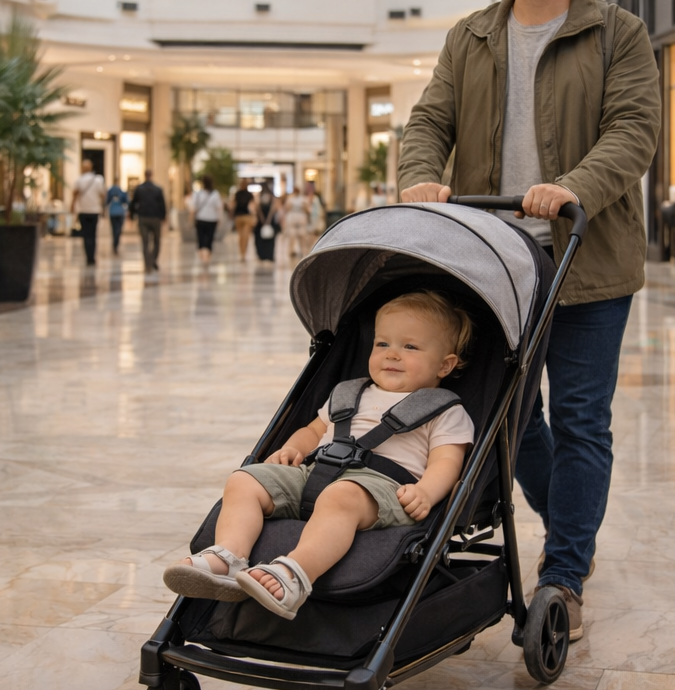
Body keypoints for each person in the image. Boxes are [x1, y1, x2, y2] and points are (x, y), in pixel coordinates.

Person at [397, 0, 660, 641]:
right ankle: (574, 524)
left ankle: (565, 575)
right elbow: (428, 120)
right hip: (493, 265)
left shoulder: (618, 35)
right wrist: (418, 174)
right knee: (511, 423)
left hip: (588, 263)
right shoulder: (472, 36)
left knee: (581, 422)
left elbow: (633, 133)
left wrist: (570, 187)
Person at [162, 291, 475, 618]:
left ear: (445, 364)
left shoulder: (444, 410)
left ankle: (296, 574)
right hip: (316, 472)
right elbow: (314, 431)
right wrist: (295, 447)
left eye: (410, 347)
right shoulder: (349, 393)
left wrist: (425, 491)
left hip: (382, 489)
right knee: (243, 480)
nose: (392, 354)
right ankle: (228, 557)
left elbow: (447, 462)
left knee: (342, 495)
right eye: (382, 344)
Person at [131, 169, 168, 273]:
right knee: (156, 241)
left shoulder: (139, 189)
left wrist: (133, 215)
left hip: (143, 218)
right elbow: (163, 205)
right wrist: (163, 217)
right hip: (155, 218)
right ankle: (152, 261)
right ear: (151, 175)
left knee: (145, 242)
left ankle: (149, 263)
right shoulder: (158, 189)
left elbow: (133, 203)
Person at [72, 158, 106, 266]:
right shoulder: (98, 180)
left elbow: (75, 195)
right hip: (94, 211)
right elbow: (103, 195)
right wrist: (102, 206)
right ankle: (91, 257)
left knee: (86, 234)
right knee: (93, 234)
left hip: (84, 211)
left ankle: (89, 256)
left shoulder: (79, 180)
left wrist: (72, 206)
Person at [191, 174, 224, 264]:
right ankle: (206, 256)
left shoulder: (198, 194)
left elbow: (193, 208)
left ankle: (203, 256)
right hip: (211, 220)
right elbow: (219, 208)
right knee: (209, 238)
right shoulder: (215, 194)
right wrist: (220, 218)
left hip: (201, 219)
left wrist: (190, 219)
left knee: (201, 239)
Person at [253, 183, 281, 262]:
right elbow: (273, 209)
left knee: (261, 239)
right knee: (270, 239)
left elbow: (258, 209)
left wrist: (263, 220)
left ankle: (263, 255)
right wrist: (268, 220)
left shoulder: (260, 196)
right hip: (268, 220)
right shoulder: (271, 197)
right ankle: (269, 255)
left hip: (262, 221)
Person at [283, 188, 311, 259]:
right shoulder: (290, 199)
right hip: (293, 219)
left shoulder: (303, 199)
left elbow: (307, 209)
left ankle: (303, 251)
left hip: (301, 220)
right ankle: (291, 251)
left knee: (302, 237)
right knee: (292, 237)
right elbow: (287, 208)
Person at [231, 181, 255, 261]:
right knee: (244, 236)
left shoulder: (237, 194)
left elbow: (233, 205)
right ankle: (243, 253)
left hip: (240, 216)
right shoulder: (249, 195)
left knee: (242, 236)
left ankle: (242, 253)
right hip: (245, 216)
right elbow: (252, 206)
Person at [106, 178, 130, 253]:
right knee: (118, 229)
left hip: (113, 212)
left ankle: (115, 244)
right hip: (120, 212)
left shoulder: (110, 191)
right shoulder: (122, 192)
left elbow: (107, 201)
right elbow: (127, 201)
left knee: (114, 229)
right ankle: (116, 243)